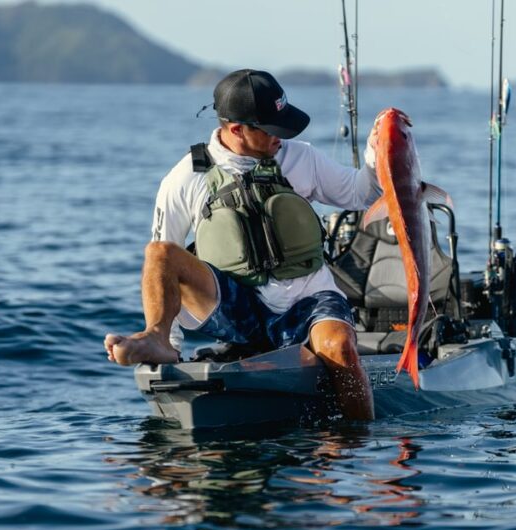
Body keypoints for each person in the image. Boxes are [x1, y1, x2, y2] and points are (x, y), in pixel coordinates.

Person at [104, 69, 380, 420]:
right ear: (236, 129)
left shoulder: (301, 158)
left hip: (307, 299)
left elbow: (361, 193)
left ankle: (358, 441)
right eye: (272, 129)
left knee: (340, 347)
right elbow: (162, 266)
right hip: (237, 307)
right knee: (159, 253)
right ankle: (156, 339)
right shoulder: (186, 177)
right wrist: (173, 349)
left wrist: (379, 151)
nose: (283, 137)